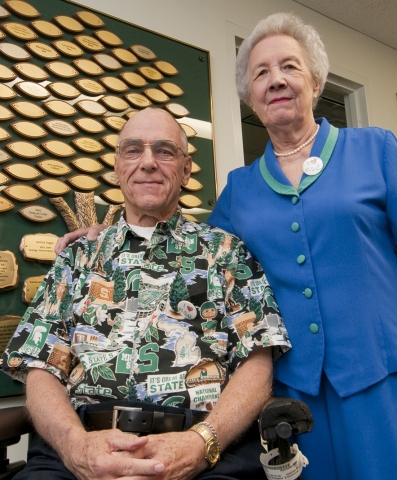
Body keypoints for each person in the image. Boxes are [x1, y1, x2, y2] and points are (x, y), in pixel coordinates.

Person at [56, 13, 397, 480]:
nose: (275, 79)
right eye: (261, 72)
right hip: (293, 393)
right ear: (250, 96)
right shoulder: (241, 189)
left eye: (290, 67)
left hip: (381, 377)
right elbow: (180, 246)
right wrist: (105, 232)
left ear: (315, 81)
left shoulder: (378, 150)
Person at [2, 108, 291, 480]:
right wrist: (76, 448)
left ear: (186, 171)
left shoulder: (227, 253)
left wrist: (200, 445)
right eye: (133, 150)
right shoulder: (78, 256)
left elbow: (258, 361)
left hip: (204, 449)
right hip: (78, 448)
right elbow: (40, 367)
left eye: (165, 151)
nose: (149, 162)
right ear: (118, 167)